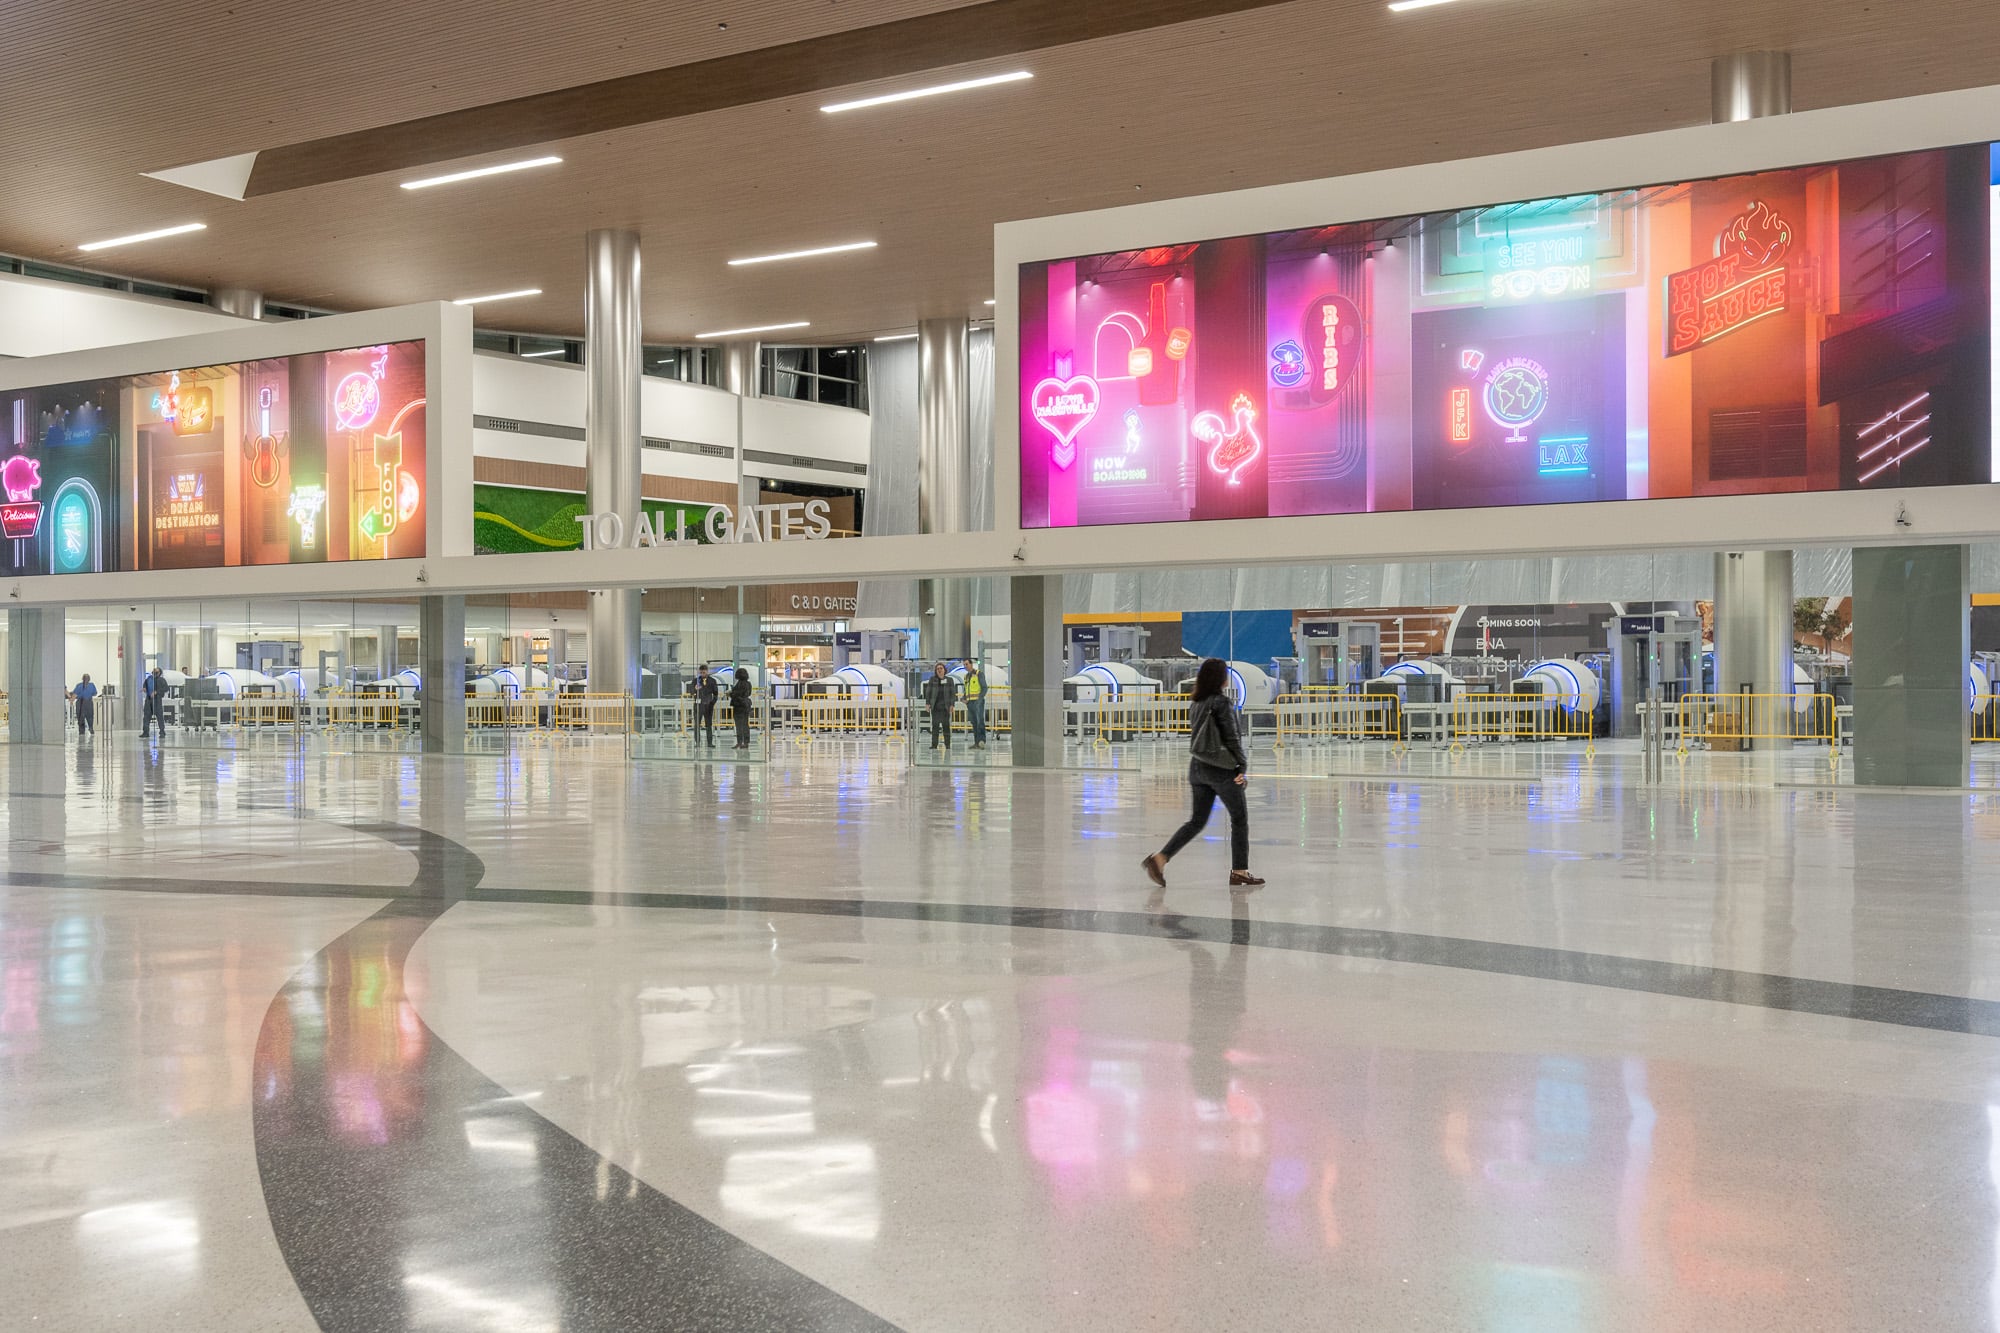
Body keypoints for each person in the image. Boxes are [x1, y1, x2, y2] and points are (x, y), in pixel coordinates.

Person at [1143, 658, 1264, 888]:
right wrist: (1241, 766)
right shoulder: (1221, 702)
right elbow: (1231, 737)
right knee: (1239, 819)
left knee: (1196, 821)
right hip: (1221, 769)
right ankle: (1240, 871)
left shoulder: (1196, 702)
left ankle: (1160, 858)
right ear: (1220, 678)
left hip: (1197, 766)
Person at [922, 661, 957, 751]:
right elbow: (928, 693)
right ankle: (934, 745)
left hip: (945, 707)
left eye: (941, 668)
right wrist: (927, 704)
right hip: (935, 708)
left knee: (946, 727)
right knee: (935, 727)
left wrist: (952, 704)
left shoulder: (949, 680)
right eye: (938, 669)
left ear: (944, 670)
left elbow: (953, 694)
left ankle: (948, 745)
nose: (939, 670)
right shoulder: (932, 680)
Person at [963, 661, 988, 750]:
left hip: (978, 702)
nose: (965, 666)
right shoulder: (966, 676)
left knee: (979, 720)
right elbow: (966, 689)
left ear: (971, 664)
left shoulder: (978, 674)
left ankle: (981, 741)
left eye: (967, 664)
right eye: (964, 665)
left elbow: (984, 688)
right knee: (974, 722)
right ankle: (976, 742)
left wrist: (979, 699)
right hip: (970, 703)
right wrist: (964, 698)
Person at [693, 665, 718, 747]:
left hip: (708, 706)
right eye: (701, 672)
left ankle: (710, 742)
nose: (702, 674)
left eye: (704, 672)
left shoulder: (712, 681)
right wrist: (695, 689)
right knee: (697, 724)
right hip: (698, 705)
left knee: (708, 725)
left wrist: (712, 703)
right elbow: (690, 691)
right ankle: (697, 742)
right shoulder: (696, 681)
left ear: (707, 671)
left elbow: (715, 694)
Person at [68, 673, 99, 740]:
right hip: (86, 702)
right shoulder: (91, 685)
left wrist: (71, 701)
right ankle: (90, 728)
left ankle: (83, 731)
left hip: (82, 703)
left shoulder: (80, 685)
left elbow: (74, 695)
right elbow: (95, 693)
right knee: (89, 717)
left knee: (83, 717)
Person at [729, 666, 753, 750]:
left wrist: (731, 693)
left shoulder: (740, 684)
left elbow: (736, 694)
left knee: (739, 725)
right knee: (745, 724)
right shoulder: (748, 683)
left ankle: (740, 742)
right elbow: (748, 693)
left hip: (739, 706)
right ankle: (746, 742)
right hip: (746, 705)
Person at [141, 666, 167, 739]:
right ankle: (145, 732)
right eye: (154, 671)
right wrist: (144, 688)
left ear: (159, 673)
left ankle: (162, 732)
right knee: (146, 716)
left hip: (157, 700)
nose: (154, 672)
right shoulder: (148, 679)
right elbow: (145, 685)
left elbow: (166, 688)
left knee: (159, 717)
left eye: (156, 671)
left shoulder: (162, 680)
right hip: (148, 700)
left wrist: (157, 692)